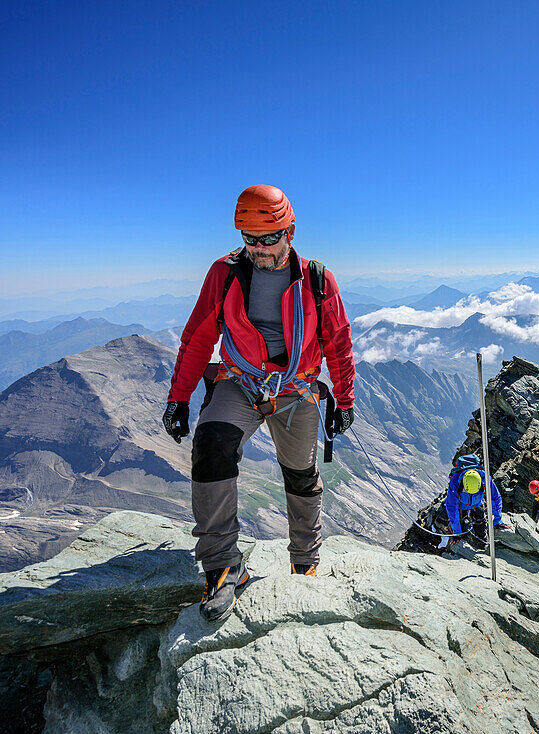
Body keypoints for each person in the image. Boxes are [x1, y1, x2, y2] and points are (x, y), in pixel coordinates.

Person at [162, 184, 356, 623]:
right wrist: (179, 397)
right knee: (211, 445)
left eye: (269, 239)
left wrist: (344, 399)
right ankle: (223, 566)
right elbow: (198, 338)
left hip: (297, 388)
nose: (260, 250)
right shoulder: (225, 272)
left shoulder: (317, 280)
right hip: (240, 382)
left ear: (290, 232)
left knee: (301, 473)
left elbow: (338, 343)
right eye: (251, 239)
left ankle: (304, 561)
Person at [444, 461, 511, 548]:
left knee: (481, 526)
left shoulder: (485, 478)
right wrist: (457, 532)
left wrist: (497, 520)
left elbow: (495, 497)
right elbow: (452, 507)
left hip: (477, 503)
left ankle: (483, 545)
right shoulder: (455, 480)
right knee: (460, 530)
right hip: (461, 506)